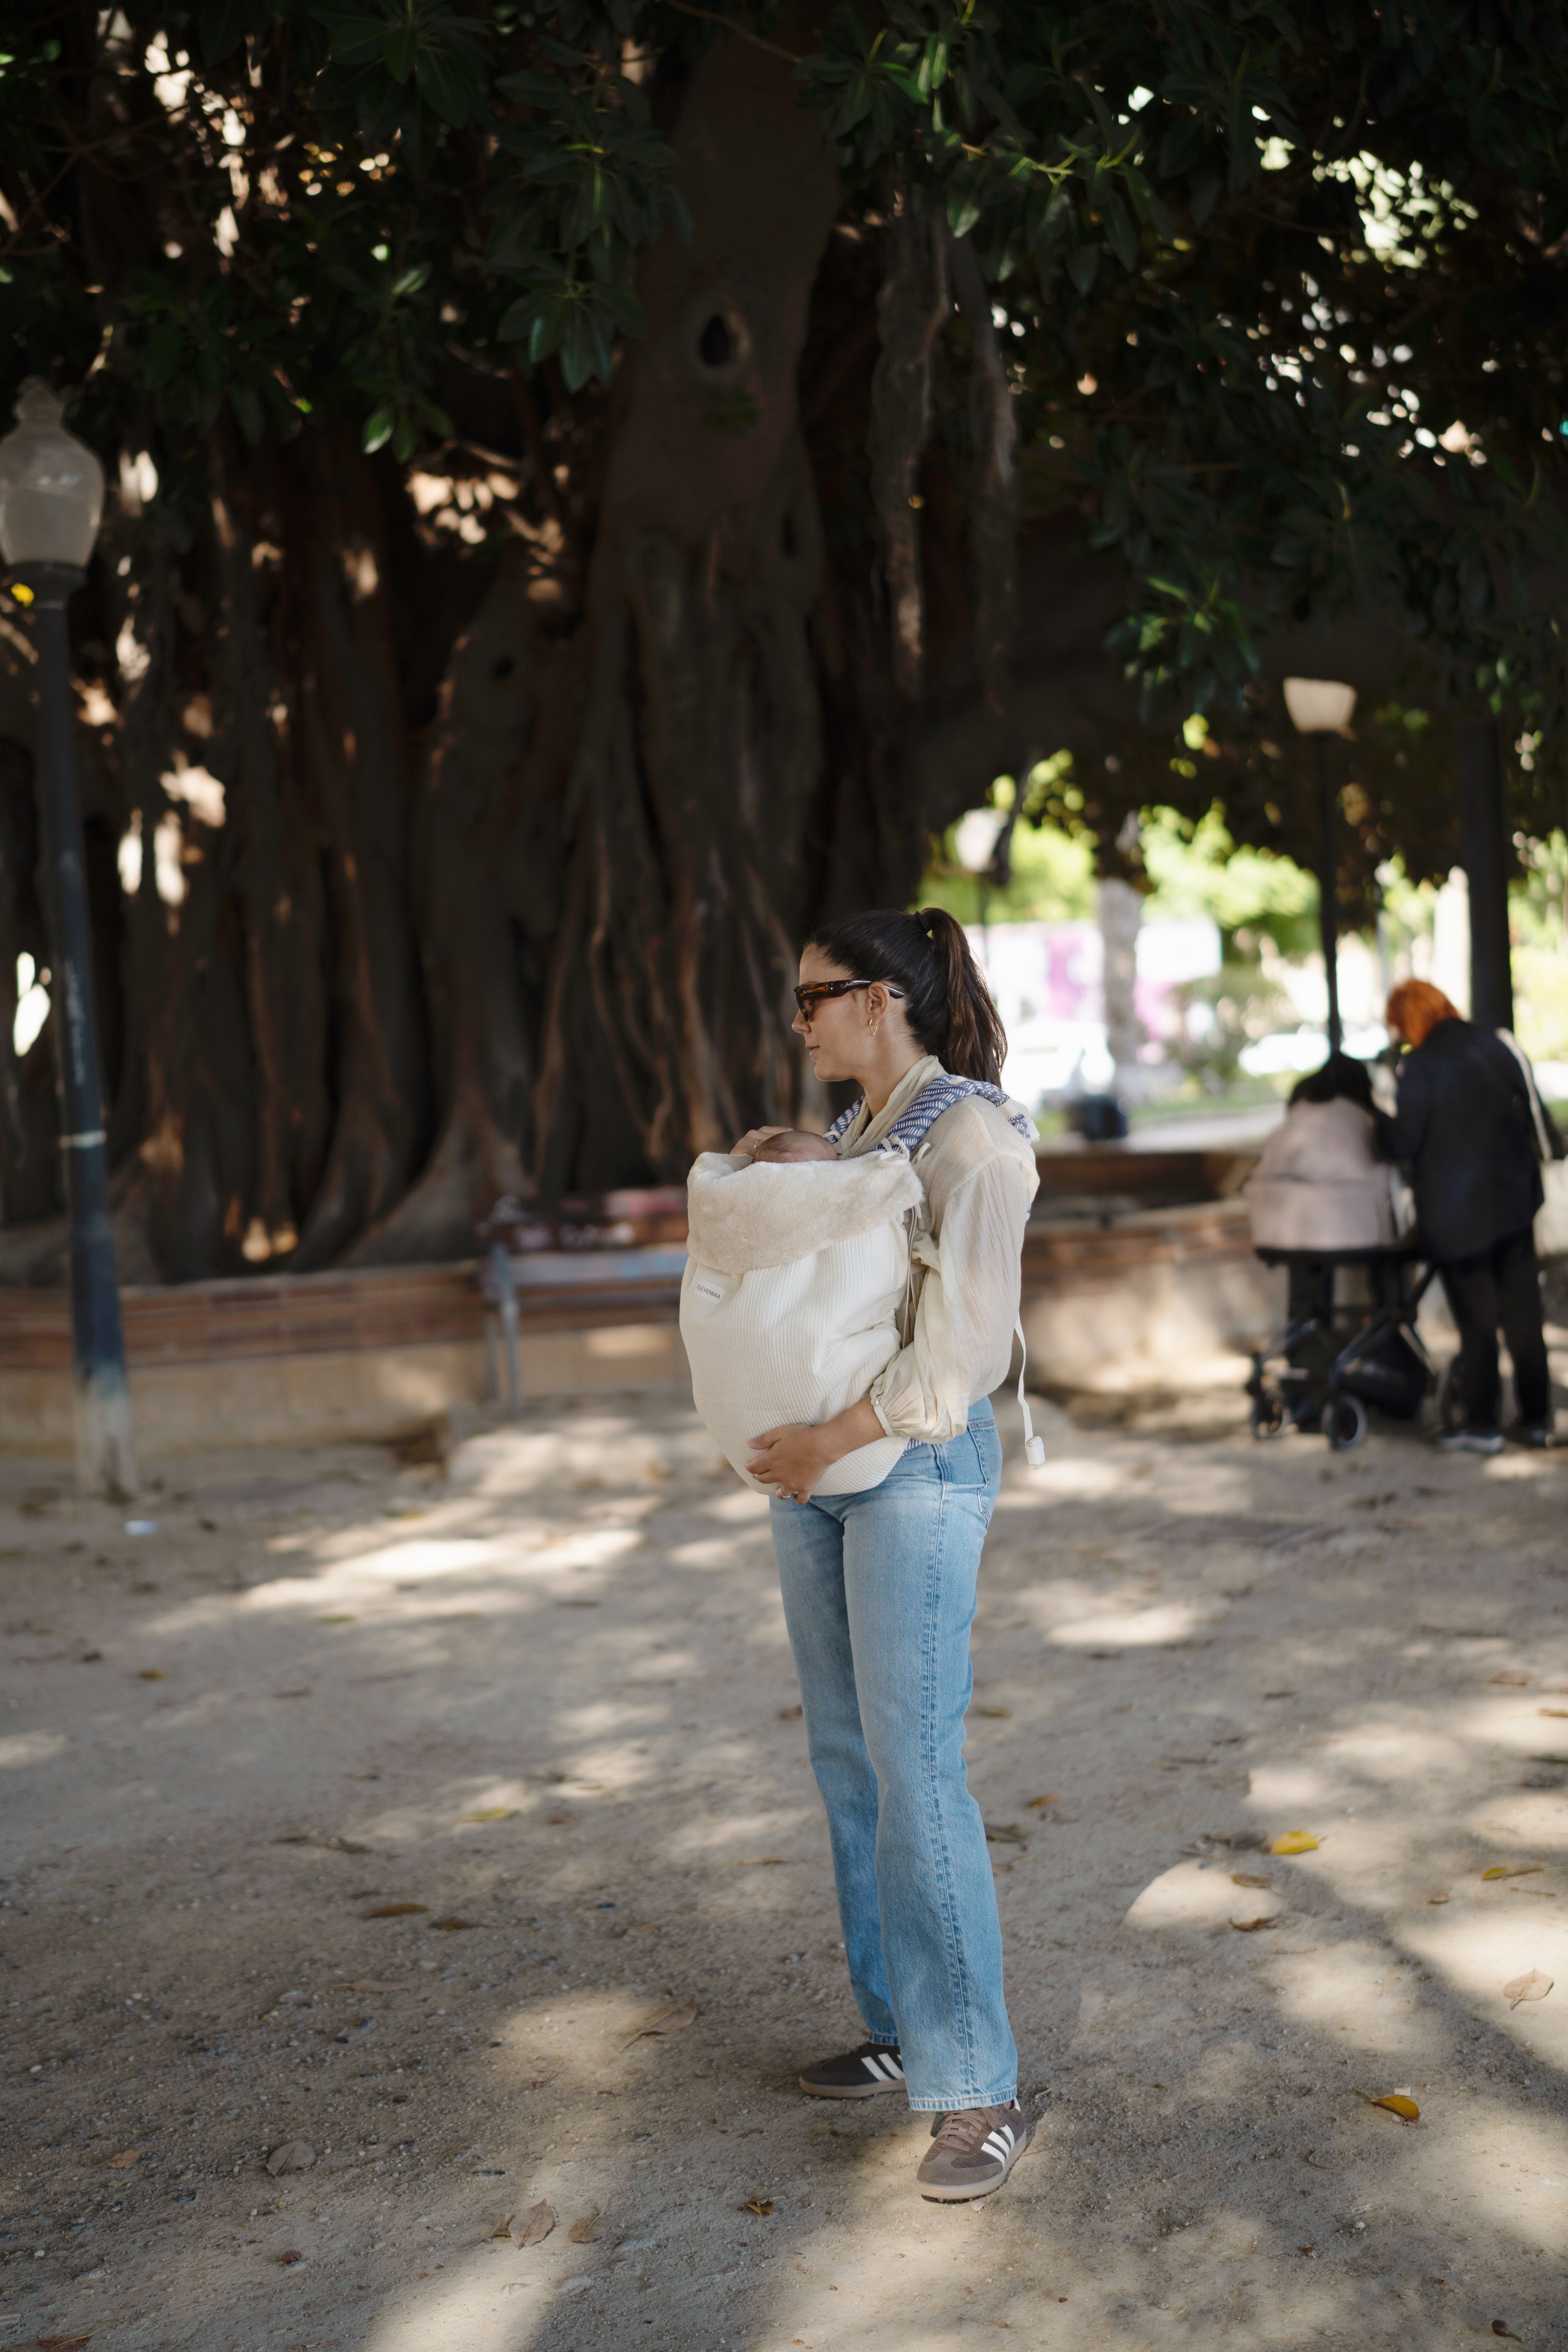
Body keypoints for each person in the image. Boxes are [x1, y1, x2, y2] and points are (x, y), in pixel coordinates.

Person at [729, 906, 1039, 2202]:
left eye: (813, 998)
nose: (795, 1020)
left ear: (879, 1001)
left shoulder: (970, 1130)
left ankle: (975, 2090)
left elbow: (962, 1358)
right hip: (819, 1474)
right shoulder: (862, 1129)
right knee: (845, 1755)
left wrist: (822, 1445)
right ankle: (898, 2029)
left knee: (913, 1765)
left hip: (901, 1467)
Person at [1376, 979, 1557, 1452]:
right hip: (1515, 1201)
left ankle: (1483, 1425)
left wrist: (1378, 1118)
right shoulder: (1496, 1045)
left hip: (1458, 1216)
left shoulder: (1421, 1065)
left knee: (1478, 1323)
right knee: (1524, 1315)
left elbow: (1404, 1142)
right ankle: (1538, 1419)